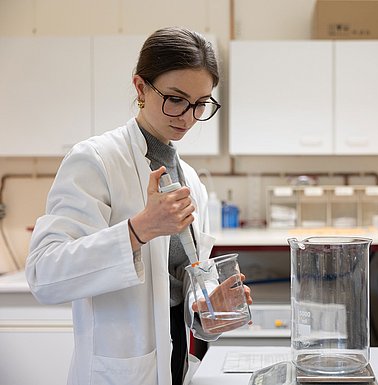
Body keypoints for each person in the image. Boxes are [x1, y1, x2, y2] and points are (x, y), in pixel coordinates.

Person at [25, 27, 252, 385]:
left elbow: (179, 292)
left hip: (178, 367)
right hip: (119, 372)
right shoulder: (96, 160)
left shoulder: (192, 181)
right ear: (141, 88)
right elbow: (44, 274)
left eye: (200, 103)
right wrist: (138, 230)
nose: (188, 116)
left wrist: (211, 308)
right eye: (176, 99)